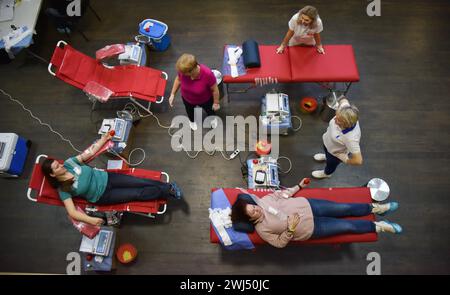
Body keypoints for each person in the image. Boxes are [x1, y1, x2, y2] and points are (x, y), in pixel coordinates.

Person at [41, 132, 183, 226]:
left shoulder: (69, 163)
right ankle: (167, 191)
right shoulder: (63, 190)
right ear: (53, 174)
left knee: (138, 181)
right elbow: (72, 212)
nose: (60, 165)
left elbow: (87, 153)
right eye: (56, 167)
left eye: (58, 163)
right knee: (136, 194)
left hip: (108, 177)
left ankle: (167, 188)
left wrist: (103, 139)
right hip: (103, 195)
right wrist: (90, 220)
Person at [231, 178, 401, 248]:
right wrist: (290, 230)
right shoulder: (262, 229)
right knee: (347, 225)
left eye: (252, 206)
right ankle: (379, 226)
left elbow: (283, 194)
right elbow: (279, 243)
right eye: (252, 211)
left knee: (345, 208)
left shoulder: (264, 201)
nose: (256, 208)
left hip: (311, 206)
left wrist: (299, 186)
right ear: (250, 218)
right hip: (312, 228)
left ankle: (378, 208)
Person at [312, 95, 362, 179]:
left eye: (338, 120)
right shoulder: (345, 110)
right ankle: (326, 156)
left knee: (331, 164)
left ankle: (327, 174)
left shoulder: (351, 138)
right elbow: (342, 98)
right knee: (327, 152)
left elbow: (358, 160)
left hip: (336, 154)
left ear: (346, 123)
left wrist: (345, 159)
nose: (334, 120)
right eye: (336, 115)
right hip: (328, 143)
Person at [168, 53, 220, 131]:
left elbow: (215, 90)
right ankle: (192, 122)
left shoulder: (208, 74)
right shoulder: (183, 72)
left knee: (210, 111)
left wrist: (216, 103)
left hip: (205, 100)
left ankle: (212, 120)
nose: (182, 74)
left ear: (192, 70)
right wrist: (172, 94)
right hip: (187, 99)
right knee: (190, 112)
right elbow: (178, 79)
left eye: (184, 73)